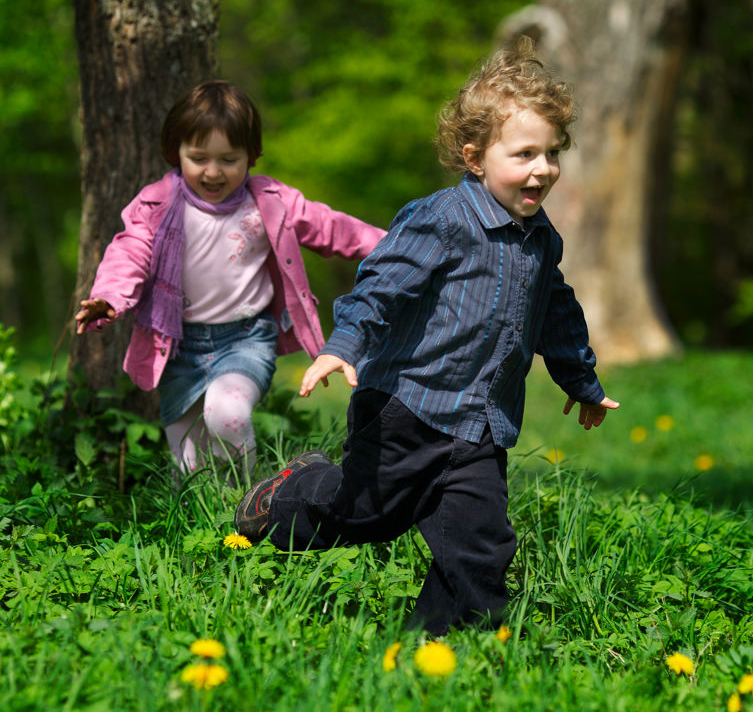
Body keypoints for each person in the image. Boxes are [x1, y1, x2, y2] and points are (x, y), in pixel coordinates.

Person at [233, 40, 619, 634]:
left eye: (550, 153)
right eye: (523, 154)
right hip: (406, 409)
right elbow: (380, 286)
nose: (541, 169)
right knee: (363, 517)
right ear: (475, 157)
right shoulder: (440, 219)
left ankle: (441, 651)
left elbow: (555, 312)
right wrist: (343, 346)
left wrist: (580, 380)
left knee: (480, 546)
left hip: (480, 424)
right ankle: (287, 493)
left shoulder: (542, 240)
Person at [75, 81, 385, 481]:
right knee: (187, 466)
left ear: (250, 156)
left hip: (245, 339)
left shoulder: (269, 202)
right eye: (198, 157)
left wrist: (393, 244)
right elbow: (128, 252)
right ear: (176, 152)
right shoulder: (157, 204)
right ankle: (202, 526)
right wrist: (108, 298)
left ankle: (248, 505)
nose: (213, 172)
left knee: (227, 415)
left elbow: (331, 228)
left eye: (228, 159)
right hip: (177, 345)